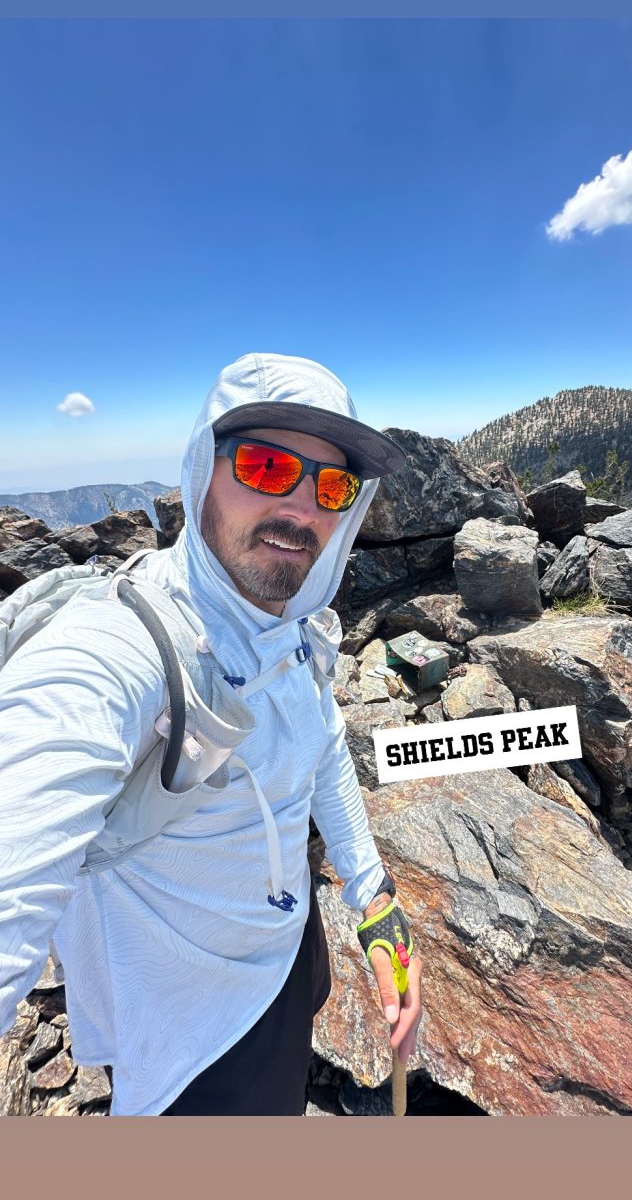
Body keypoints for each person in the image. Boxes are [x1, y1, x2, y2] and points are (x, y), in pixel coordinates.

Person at [0, 351, 423, 1115]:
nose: (303, 508)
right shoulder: (121, 647)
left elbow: (322, 738)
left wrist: (374, 897)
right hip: (197, 1047)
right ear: (204, 469)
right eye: (266, 465)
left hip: (290, 956)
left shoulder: (294, 624)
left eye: (332, 485)